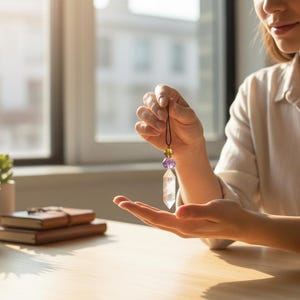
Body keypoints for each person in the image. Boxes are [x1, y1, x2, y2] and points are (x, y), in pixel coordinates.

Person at [113, 0, 300, 253]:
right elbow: (217, 232)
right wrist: (189, 153)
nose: (268, 5)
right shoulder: (258, 92)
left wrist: (251, 227)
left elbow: (236, 224)